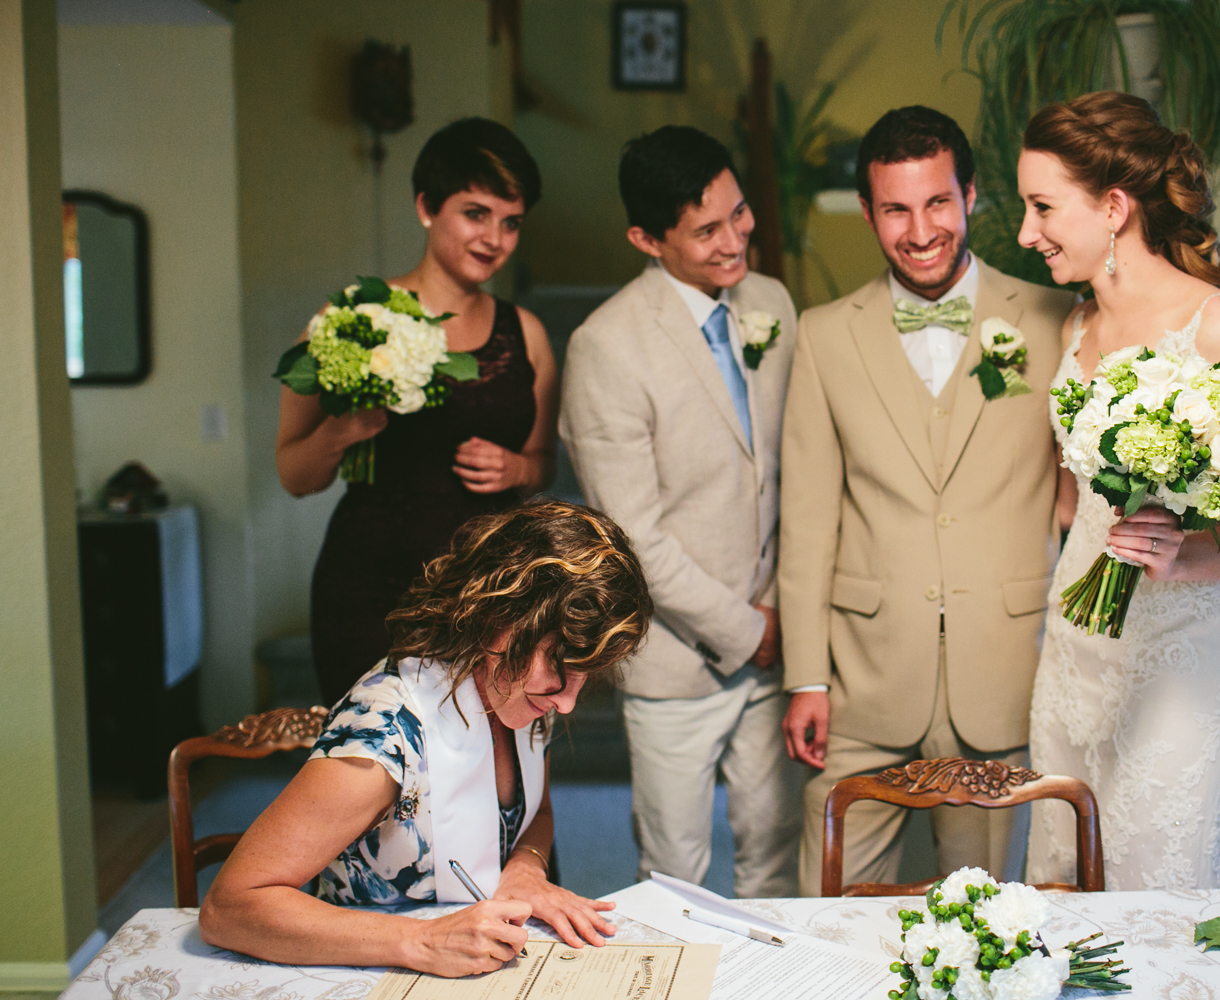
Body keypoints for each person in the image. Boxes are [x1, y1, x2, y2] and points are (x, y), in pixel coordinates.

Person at [779, 107, 1075, 895]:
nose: (919, 230)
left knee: (987, 925)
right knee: (829, 911)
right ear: (870, 212)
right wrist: (806, 677)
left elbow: (1078, 495)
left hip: (1003, 672)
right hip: (863, 678)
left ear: (972, 195)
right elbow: (807, 520)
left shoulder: (1050, 319)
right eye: (895, 209)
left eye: (937, 202)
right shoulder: (822, 334)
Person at [1018, 92, 1220, 890]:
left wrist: (1180, 554)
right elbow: (1075, 502)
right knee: (1064, 872)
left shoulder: (1219, 326)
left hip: (1183, 651)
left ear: (1112, 207)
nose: (1026, 232)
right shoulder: (1075, 330)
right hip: (1075, 643)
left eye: (1042, 207)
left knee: (1156, 882)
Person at [198, 500, 653, 975]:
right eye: (559, 663)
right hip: (361, 974)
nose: (568, 702)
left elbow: (534, 809)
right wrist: (420, 941)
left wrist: (525, 867)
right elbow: (229, 908)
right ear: (499, 618)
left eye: (584, 673)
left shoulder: (517, 691)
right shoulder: (383, 736)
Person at [559, 126, 802, 897]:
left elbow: (797, 475)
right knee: (674, 878)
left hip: (774, 637)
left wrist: (780, 610)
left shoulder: (770, 303)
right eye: (707, 230)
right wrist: (746, 630)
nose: (735, 240)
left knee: (775, 854)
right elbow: (635, 539)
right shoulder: (607, 346)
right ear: (646, 238)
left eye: (740, 215)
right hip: (674, 658)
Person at [275, 117, 560, 703]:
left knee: (489, 765)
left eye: (511, 223)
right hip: (371, 586)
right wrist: (342, 431)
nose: (495, 239)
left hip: (493, 585)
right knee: (372, 768)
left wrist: (519, 469)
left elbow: (543, 461)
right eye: (475, 213)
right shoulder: (352, 320)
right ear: (427, 206)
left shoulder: (525, 333)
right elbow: (293, 473)